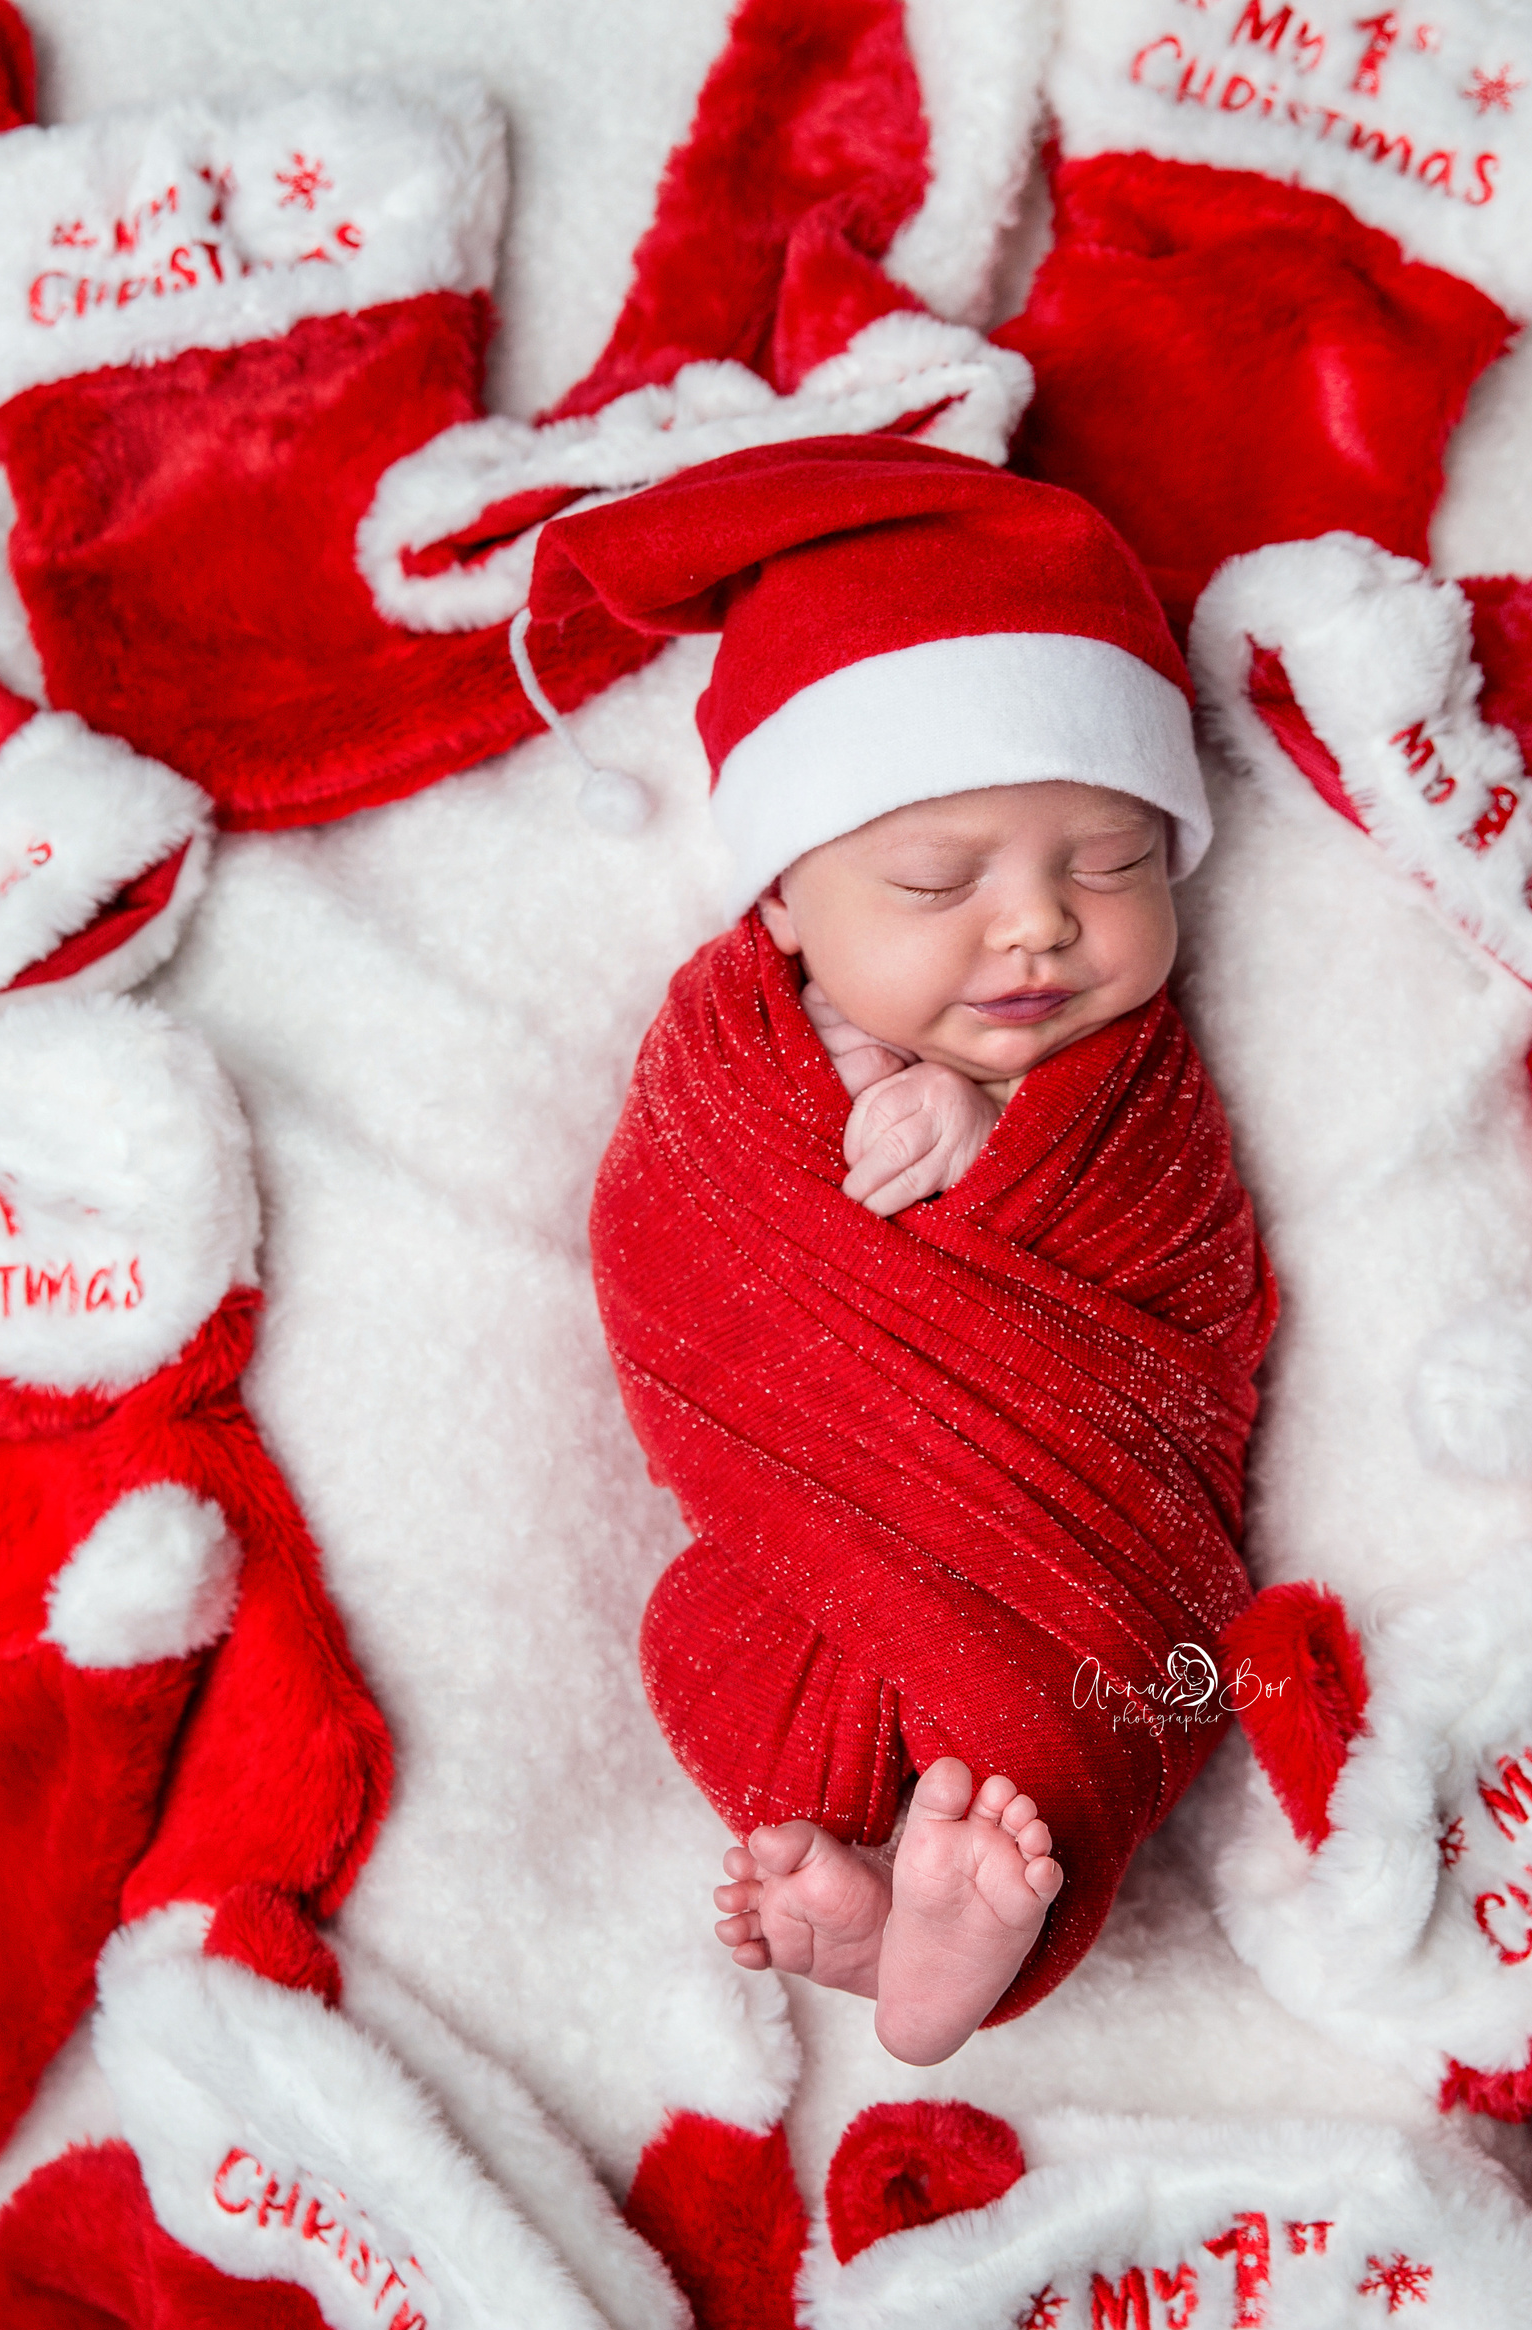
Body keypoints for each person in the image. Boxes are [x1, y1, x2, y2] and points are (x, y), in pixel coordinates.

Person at [530, 437, 1275, 2064]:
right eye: (937, 880)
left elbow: (1193, 1284)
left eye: (1112, 863)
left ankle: (941, 1921)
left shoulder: (1132, 1096)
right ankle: (893, 1902)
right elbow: (670, 1255)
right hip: (818, 1565)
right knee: (707, 1646)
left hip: (1090, 1551)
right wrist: (838, 1142)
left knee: (1124, 1677)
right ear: (784, 906)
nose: (1038, 925)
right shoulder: (729, 1070)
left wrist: (999, 1135)